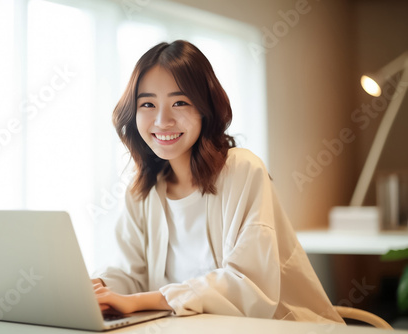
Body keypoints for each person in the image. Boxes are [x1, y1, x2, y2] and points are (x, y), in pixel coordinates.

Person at [91, 40, 344, 324]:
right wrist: (98, 288)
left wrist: (137, 302)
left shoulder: (243, 170)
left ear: (205, 109)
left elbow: (248, 286)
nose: (162, 120)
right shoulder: (142, 190)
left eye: (180, 102)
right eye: (148, 104)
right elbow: (129, 273)